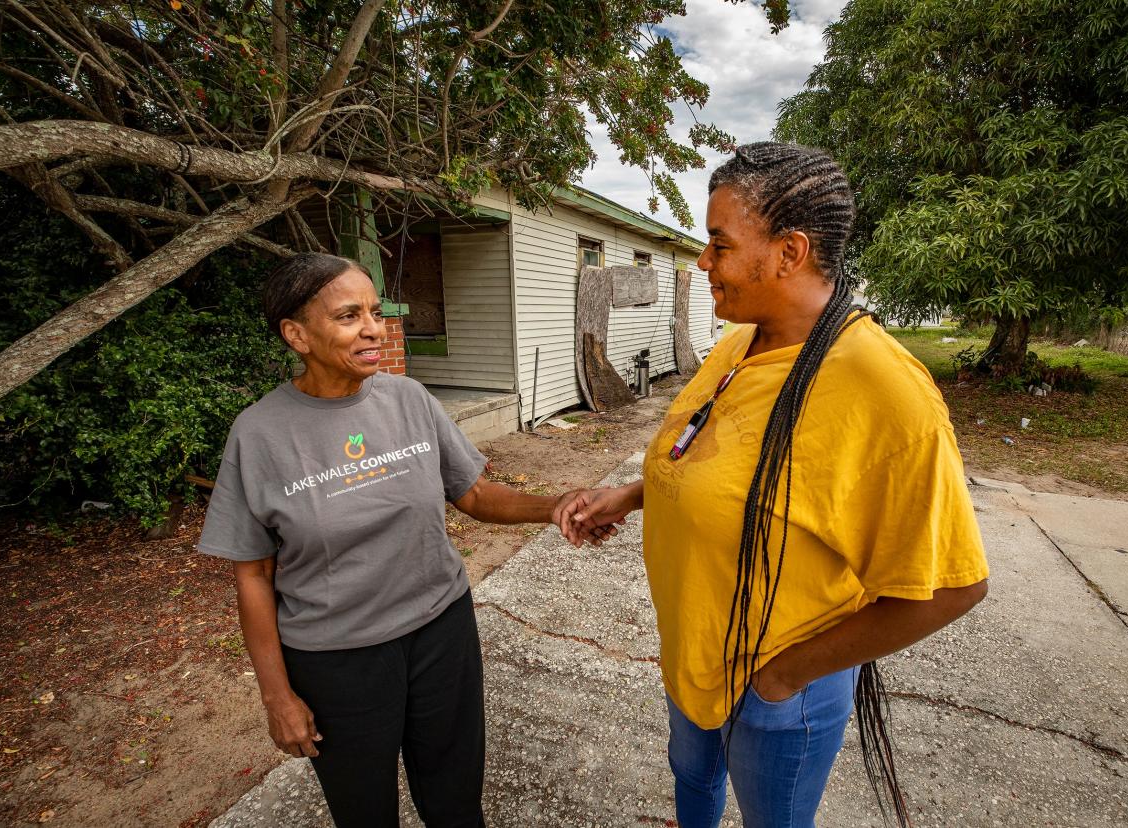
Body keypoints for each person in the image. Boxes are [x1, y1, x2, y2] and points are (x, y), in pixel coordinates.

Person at [559, 143, 990, 828]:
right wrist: (633, 494)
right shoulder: (740, 344)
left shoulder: (884, 390)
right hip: (694, 648)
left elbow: (953, 586)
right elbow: (710, 456)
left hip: (778, 689)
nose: (704, 262)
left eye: (719, 244)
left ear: (788, 252)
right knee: (692, 783)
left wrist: (782, 676)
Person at [197, 253, 593, 828]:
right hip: (339, 660)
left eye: (375, 312)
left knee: (456, 800)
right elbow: (253, 577)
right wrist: (277, 697)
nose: (373, 329)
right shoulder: (260, 433)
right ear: (296, 334)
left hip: (441, 629)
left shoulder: (408, 400)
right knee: (364, 812)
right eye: (349, 315)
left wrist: (552, 505)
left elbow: (474, 495)